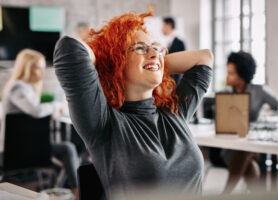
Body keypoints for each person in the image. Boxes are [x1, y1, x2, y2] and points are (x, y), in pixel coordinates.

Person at [54, 8, 213, 199]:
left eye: (156, 47)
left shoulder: (174, 113)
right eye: (139, 48)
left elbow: (204, 58)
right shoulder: (104, 124)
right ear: (117, 61)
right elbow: (69, 49)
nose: (154, 52)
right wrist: (110, 63)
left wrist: (156, 62)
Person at [0, 49, 80, 197]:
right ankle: (76, 191)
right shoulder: (19, 87)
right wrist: (58, 106)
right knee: (68, 148)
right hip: (19, 150)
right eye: (38, 68)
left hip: (25, 146)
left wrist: (46, 115)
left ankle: (66, 189)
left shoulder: (25, 88)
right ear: (27, 68)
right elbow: (36, 111)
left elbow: (28, 115)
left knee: (65, 150)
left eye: (44, 68)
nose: (42, 72)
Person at [213, 51, 278, 193]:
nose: (227, 76)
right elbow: (217, 118)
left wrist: (269, 119)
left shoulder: (259, 91)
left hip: (255, 143)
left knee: (247, 148)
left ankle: (225, 194)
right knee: (249, 162)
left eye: (231, 73)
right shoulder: (225, 93)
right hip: (230, 146)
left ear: (242, 74)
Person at [161, 17, 186, 84]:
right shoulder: (165, 43)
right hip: (167, 80)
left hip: (176, 81)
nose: (161, 28)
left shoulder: (180, 43)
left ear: (169, 25)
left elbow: (183, 63)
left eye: (163, 25)